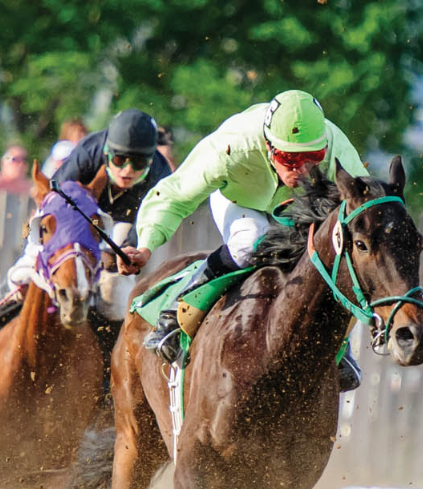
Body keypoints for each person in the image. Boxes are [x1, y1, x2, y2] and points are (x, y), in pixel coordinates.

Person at [128, 90, 367, 389]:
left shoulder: (337, 149)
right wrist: (146, 244)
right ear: (268, 147)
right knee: (250, 241)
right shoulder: (232, 144)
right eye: (290, 159)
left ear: (324, 148)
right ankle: (176, 315)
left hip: (299, 207)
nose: (303, 170)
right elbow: (176, 194)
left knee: (340, 259)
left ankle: (339, 350)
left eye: (313, 158)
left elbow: (368, 206)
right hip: (240, 200)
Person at [0, 108, 171, 400]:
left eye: (138, 163)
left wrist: (129, 250)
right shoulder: (87, 153)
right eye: (120, 159)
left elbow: (151, 222)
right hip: (70, 219)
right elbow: (54, 205)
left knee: (113, 296)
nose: (127, 170)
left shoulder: (162, 176)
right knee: (23, 276)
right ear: (107, 151)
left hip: (124, 228)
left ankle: (105, 382)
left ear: (150, 160)